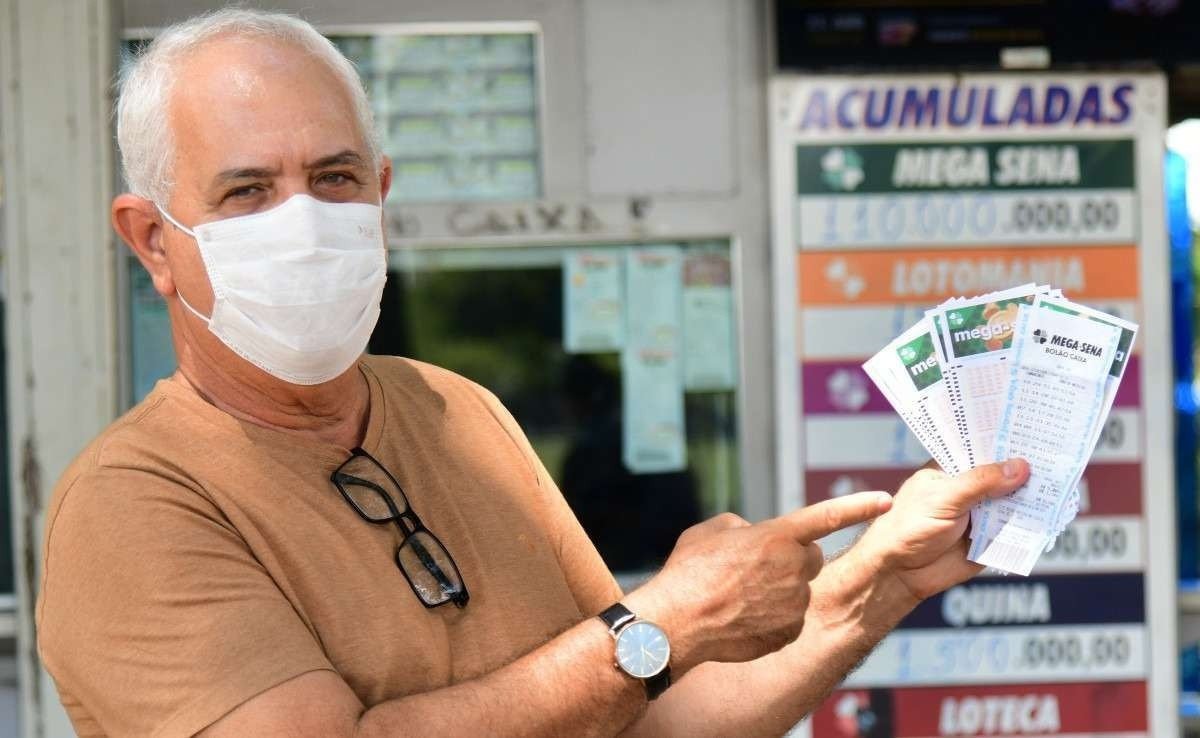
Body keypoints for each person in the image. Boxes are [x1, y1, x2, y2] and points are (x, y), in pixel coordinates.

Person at [35, 9, 1031, 738]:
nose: (301, 222)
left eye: (335, 178)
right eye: (248, 190)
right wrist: (664, 622)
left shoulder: (452, 410)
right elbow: (640, 653)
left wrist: (885, 576)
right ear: (153, 242)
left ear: (380, 195)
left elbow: (650, 707)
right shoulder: (134, 507)